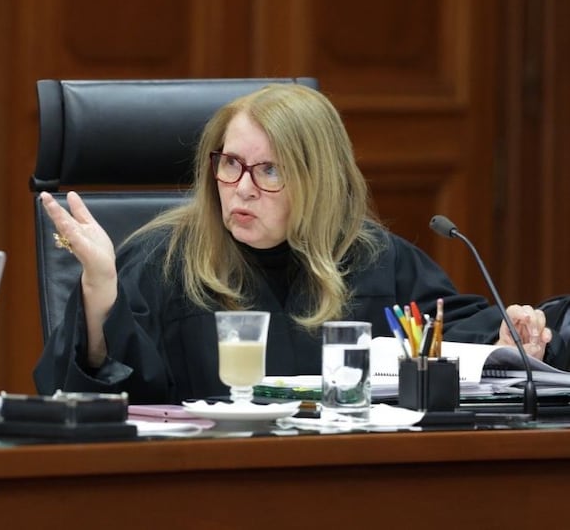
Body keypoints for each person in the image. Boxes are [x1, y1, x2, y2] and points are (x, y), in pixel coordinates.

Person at [34, 83, 552, 404]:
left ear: (317, 180)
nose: (241, 187)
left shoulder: (371, 257)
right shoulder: (161, 261)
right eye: (230, 163)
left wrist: (502, 346)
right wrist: (100, 288)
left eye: (269, 171)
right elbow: (94, 395)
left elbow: (449, 331)